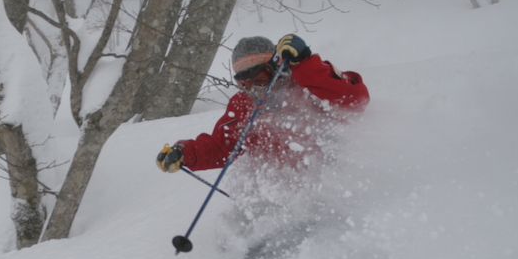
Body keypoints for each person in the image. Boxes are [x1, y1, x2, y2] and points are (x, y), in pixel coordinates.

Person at [156, 34, 369, 174]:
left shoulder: (309, 85)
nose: (253, 86)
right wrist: (187, 153)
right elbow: (223, 146)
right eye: (244, 80)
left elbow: (354, 99)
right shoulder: (243, 104)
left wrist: (305, 63)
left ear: (276, 66)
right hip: (276, 191)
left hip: (325, 181)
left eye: (259, 75)